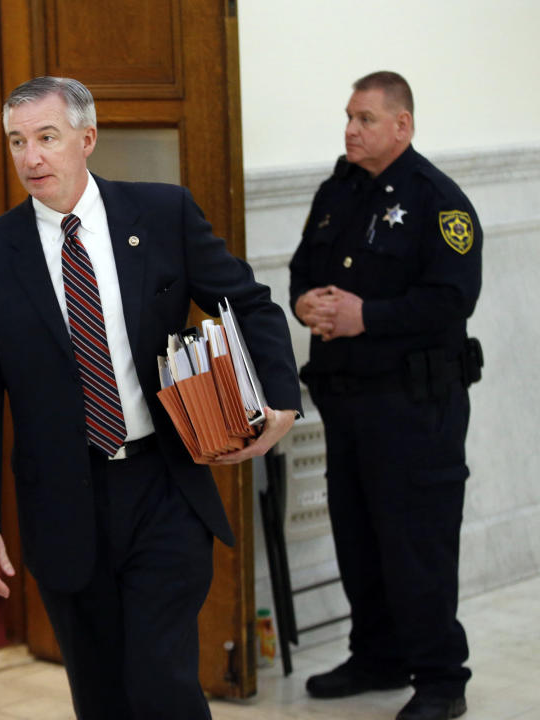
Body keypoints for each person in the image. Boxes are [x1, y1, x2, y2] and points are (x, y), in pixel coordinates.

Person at [0, 76, 302, 720]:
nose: (32, 158)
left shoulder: (162, 214)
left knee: (161, 682)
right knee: (102, 694)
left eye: (47, 138)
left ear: (87, 138)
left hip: (164, 485)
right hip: (62, 503)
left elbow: (247, 302)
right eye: (18, 141)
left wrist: (280, 401)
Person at [289, 71, 482, 720]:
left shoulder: (437, 201)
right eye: (348, 116)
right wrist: (305, 301)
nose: (350, 129)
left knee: (416, 546)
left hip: (413, 407)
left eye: (365, 118)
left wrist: (366, 317)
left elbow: (452, 299)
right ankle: (375, 656)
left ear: (402, 125)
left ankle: (440, 681)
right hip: (346, 402)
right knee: (360, 538)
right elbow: (302, 270)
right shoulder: (337, 190)